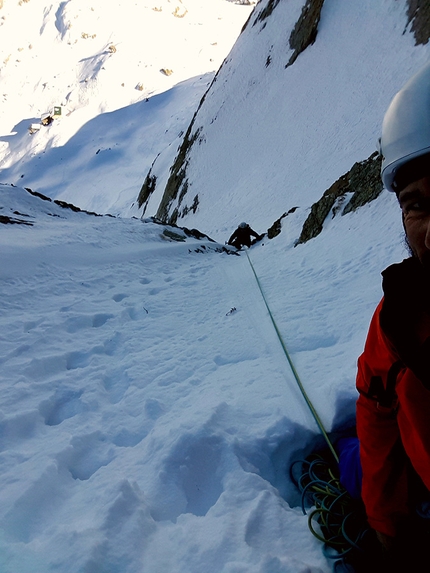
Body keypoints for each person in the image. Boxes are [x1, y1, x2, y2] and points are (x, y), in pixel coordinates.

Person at [355, 60, 430, 571]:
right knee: (352, 458)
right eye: (417, 205)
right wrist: (385, 524)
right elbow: (375, 403)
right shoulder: (400, 316)